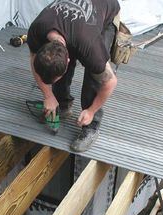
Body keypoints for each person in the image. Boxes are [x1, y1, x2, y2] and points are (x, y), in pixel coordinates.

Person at [27, 0, 120, 152]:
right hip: (75, 24)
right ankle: (62, 105)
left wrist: (91, 110)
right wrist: (48, 95)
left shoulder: (89, 48)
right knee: (55, 69)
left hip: (105, 12)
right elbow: (33, 59)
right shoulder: (37, 30)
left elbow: (110, 83)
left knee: (94, 76)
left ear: (68, 59)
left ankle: (91, 126)